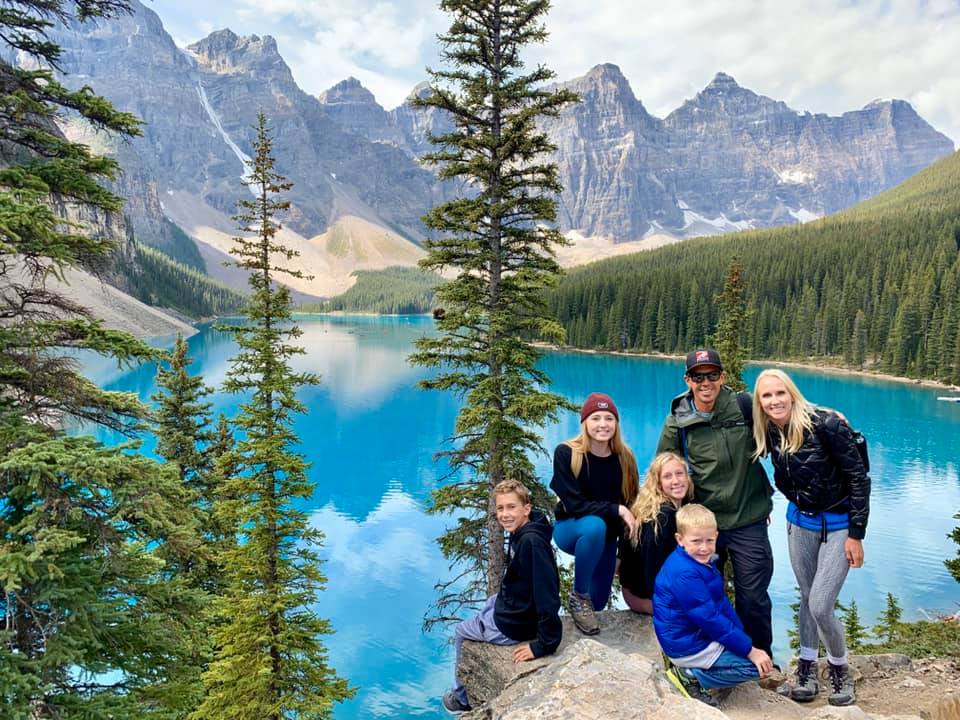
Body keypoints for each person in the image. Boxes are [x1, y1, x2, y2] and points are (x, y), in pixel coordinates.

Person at [753, 369, 870, 707]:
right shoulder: (770, 429)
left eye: (780, 393)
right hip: (799, 522)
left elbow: (859, 480)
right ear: (760, 403)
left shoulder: (827, 424)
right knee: (806, 596)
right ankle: (805, 668)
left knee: (820, 603)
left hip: (839, 526)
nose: (774, 401)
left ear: (792, 394)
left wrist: (857, 535)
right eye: (766, 396)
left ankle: (839, 668)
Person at [656, 349, 774, 658]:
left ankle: (762, 660)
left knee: (754, 597)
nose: (705, 382)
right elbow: (664, 469)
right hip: (705, 528)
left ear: (722, 377)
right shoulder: (677, 422)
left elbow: (783, 425)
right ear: (688, 380)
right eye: (698, 376)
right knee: (705, 597)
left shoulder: (744, 407)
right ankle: (716, 658)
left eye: (711, 375)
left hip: (749, 518)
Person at [442, 480, 562, 713]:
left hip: (514, 624)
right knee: (490, 602)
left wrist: (544, 645)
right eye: (500, 508)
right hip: (515, 605)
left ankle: (461, 698)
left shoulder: (531, 543)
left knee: (460, 631)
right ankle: (488, 620)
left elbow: (548, 595)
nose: (505, 514)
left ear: (526, 509)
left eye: (511, 507)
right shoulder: (527, 528)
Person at [653, 504, 773, 707]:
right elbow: (710, 618)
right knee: (753, 669)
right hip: (687, 645)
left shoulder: (703, 562)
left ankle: (704, 668)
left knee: (752, 653)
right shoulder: (685, 573)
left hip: (698, 635)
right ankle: (689, 675)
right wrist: (749, 650)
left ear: (717, 536)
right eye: (696, 541)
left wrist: (743, 639)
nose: (704, 547)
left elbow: (721, 604)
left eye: (710, 540)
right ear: (679, 539)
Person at [551, 392, 639, 635]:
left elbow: (631, 510)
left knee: (598, 602)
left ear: (616, 424)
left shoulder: (625, 458)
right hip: (572, 529)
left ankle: (585, 605)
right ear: (585, 423)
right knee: (595, 525)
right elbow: (574, 504)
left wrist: (622, 554)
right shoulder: (567, 453)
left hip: (607, 538)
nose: (603, 424)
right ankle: (578, 596)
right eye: (596, 418)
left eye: (609, 418)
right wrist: (616, 509)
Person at [619, 451, 695, 614]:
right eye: (667, 476)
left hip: (636, 591)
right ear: (658, 483)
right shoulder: (664, 516)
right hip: (644, 595)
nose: (676, 481)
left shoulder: (676, 507)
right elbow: (651, 566)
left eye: (680, 474)